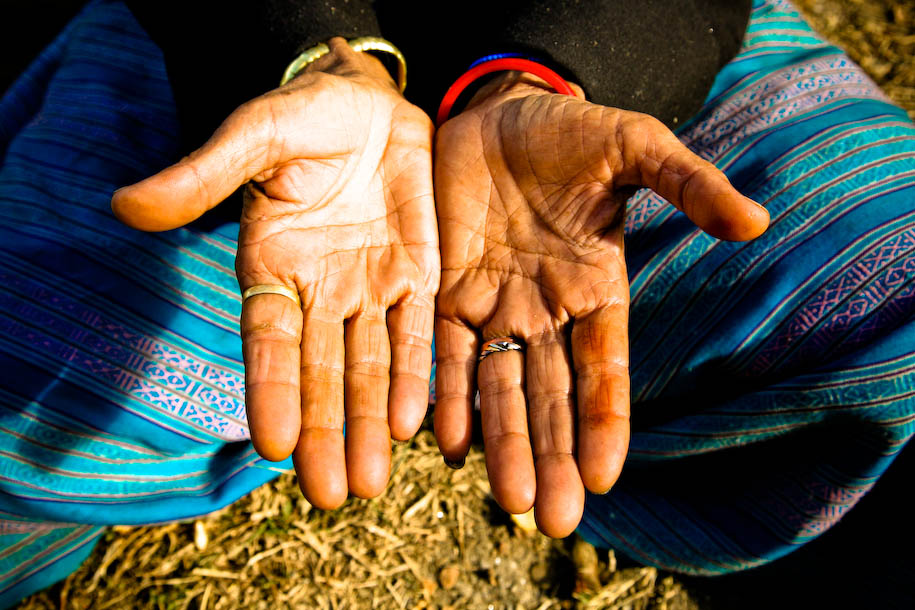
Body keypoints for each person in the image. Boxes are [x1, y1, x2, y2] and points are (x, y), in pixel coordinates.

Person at [0, 0, 912, 605]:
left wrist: (541, 76)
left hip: (616, 53)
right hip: (262, 62)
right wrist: (313, 55)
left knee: (885, 289)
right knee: (48, 374)